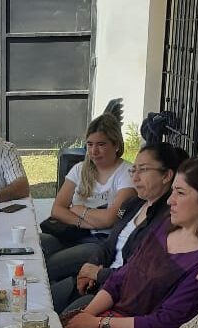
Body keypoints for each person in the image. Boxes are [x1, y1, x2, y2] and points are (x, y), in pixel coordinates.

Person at [62, 157, 198, 328]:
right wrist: (87, 314)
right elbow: (122, 276)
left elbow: (164, 324)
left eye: (180, 193)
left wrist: (96, 323)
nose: (169, 200)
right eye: (172, 190)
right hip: (111, 314)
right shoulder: (165, 225)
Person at [50, 142, 188, 313]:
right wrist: (89, 267)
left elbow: (137, 273)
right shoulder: (133, 204)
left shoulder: (166, 221)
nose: (135, 177)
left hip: (118, 297)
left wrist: (98, 274)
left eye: (143, 170)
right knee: (45, 300)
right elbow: (109, 244)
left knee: (57, 323)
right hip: (100, 281)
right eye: (133, 170)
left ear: (166, 176)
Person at [40, 114, 136, 279]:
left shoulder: (126, 173)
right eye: (90, 144)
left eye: (101, 144)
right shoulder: (79, 169)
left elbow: (109, 220)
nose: (94, 151)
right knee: (31, 247)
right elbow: (57, 209)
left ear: (116, 145)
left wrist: (78, 209)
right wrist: (83, 222)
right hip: (71, 232)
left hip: (100, 242)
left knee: (48, 266)